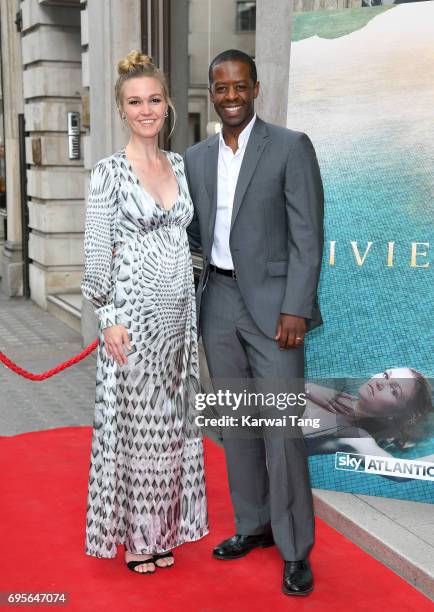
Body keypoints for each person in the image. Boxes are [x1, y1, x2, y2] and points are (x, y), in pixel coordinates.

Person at [184, 50, 324, 597]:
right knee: (236, 424)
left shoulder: (290, 146)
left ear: (256, 88)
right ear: (212, 94)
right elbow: (193, 233)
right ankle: (253, 525)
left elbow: (307, 234)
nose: (231, 96)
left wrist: (297, 307)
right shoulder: (195, 157)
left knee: (283, 430)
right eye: (221, 89)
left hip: (273, 309)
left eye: (240, 86)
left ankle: (295, 551)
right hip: (217, 299)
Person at [81, 50, 208, 574]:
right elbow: (94, 254)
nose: (146, 109)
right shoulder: (107, 173)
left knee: (171, 427)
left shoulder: (178, 164)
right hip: (132, 319)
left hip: (179, 319)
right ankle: (137, 537)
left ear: (168, 104)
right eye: (135, 102)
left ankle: (161, 529)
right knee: (137, 429)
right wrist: (107, 316)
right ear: (122, 109)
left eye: (154, 99)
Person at [304, 367, 434, 463]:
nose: (380, 382)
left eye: (393, 390)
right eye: (385, 375)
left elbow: (399, 473)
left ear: (393, 414)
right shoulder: (335, 393)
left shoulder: (355, 437)